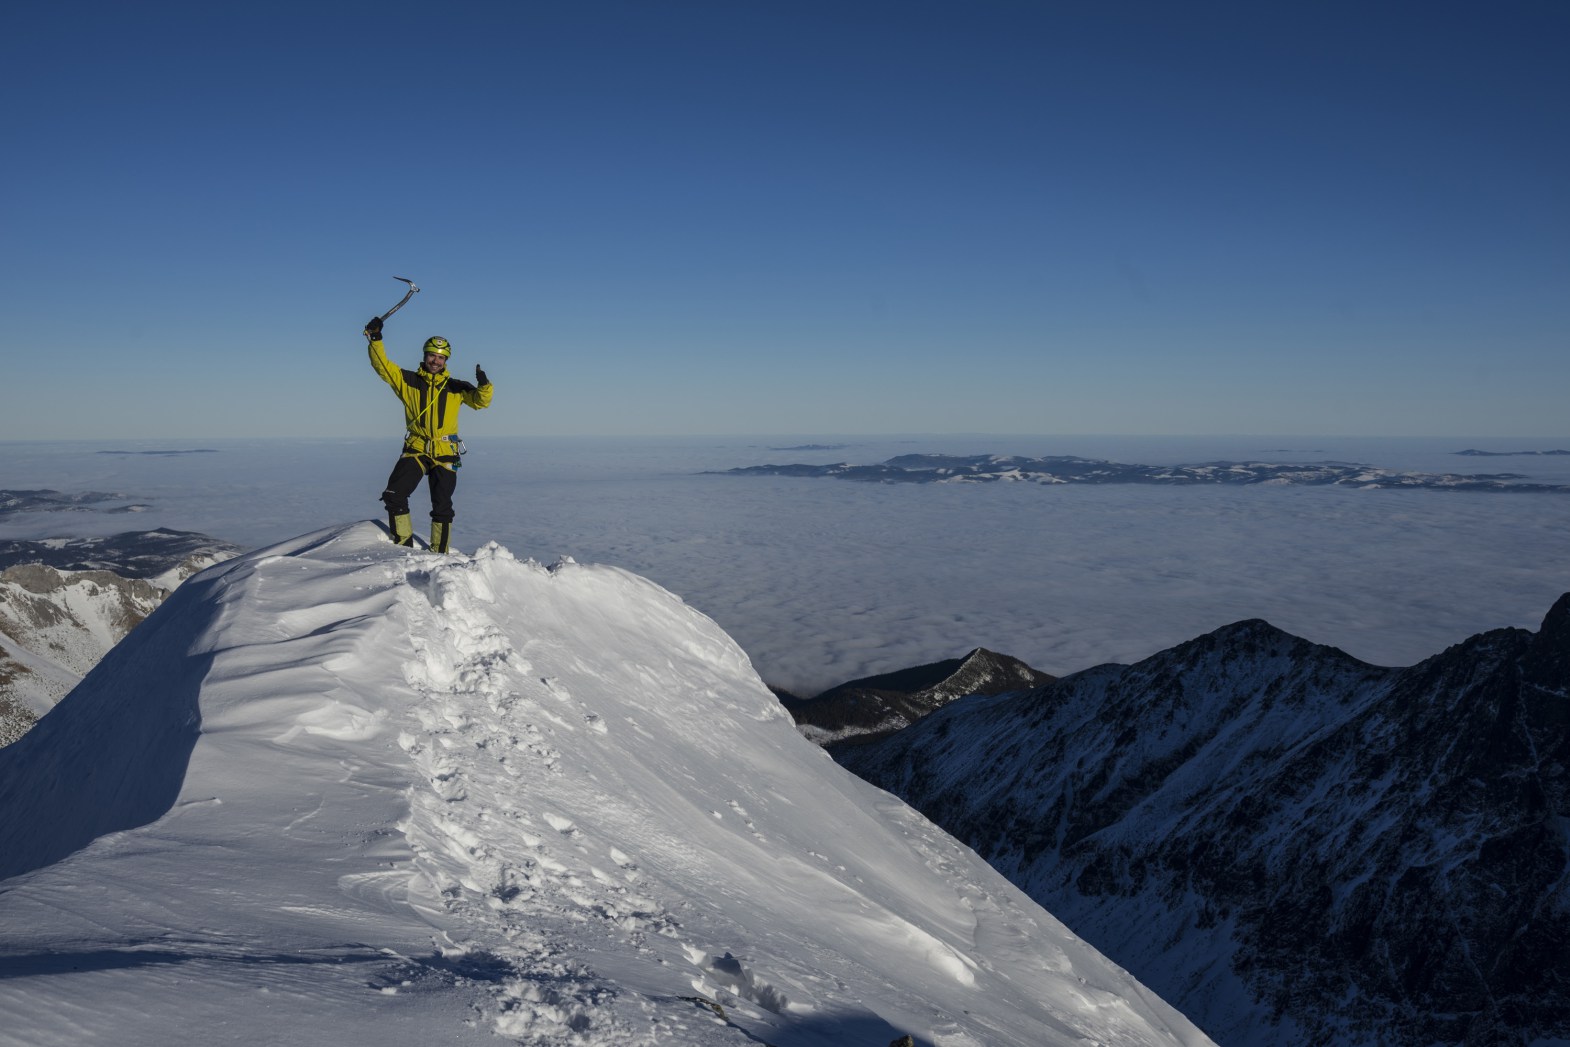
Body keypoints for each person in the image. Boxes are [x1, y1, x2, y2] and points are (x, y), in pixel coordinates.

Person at [363, 315, 494, 553]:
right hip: (416, 448)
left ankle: (439, 555)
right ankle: (403, 549)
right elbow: (382, 366)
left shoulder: (456, 386)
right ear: (424, 356)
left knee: (442, 506)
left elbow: (480, 402)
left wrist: (485, 386)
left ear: (446, 360)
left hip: (445, 452)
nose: (436, 361)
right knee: (394, 495)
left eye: (441, 357)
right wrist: (375, 338)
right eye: (432, 355)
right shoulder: (408, 381)